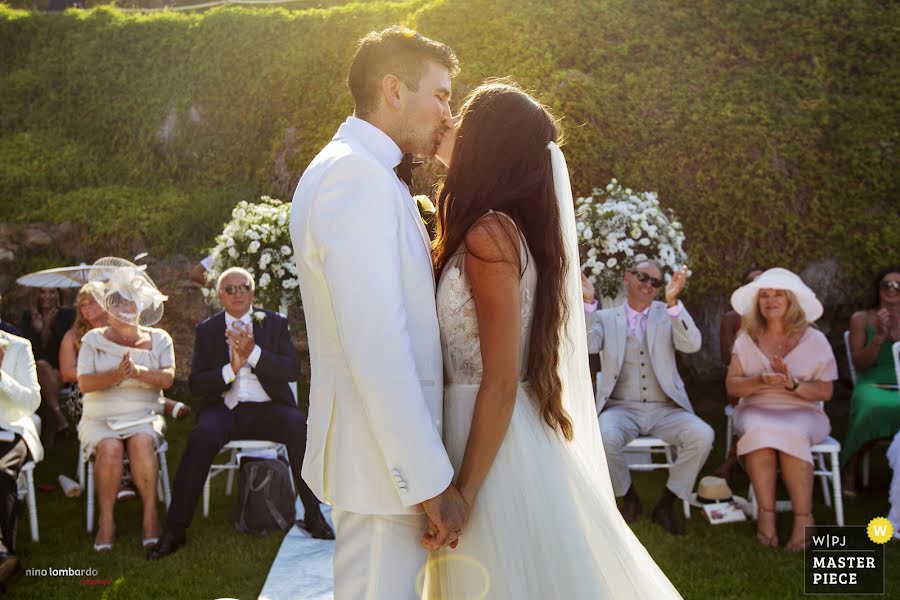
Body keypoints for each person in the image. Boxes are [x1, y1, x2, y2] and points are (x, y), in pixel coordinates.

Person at [426, 81, 682, 598]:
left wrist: (467, 493)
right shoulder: (496, 227)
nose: (448, 123)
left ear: (486, 142)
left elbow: (500, 377)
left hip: (490, 441)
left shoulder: (490, 235)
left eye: (463, 120)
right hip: (486, 424)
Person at [288, 27, 468, 599]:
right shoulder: (354, 178)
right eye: (440, 95)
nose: (448, 112)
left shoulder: (363, 170)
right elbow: (377, 345)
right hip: (382, 468)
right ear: (394, 89)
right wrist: (427, 480)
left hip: (383, 463)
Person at [148, 267, 333, 560]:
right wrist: (230, 369)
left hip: (269, 409)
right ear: (220, 295)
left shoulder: (274, 324)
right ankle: (176, 528)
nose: (238, 293)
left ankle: (313, 515)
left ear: (253, 292)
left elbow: (291, 371)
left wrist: (253, 353)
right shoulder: (207, 330)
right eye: (230, 289)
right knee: (201, 436)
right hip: (225, 409)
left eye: (243, 287)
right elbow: (196, 384)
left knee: (299, 426)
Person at [590, 259, 713, 536]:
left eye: (655, 282)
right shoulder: (606, 317)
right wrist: (588, 304)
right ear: (627, 277)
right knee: (603, 436)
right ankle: (629, 496)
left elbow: (692, 344)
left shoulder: (667, 312)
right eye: (643, 277)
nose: (648, 285)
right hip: (622, 408)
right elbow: (587, 343)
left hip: (664, 408)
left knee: (702, 435)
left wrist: (673, 302)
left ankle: (667, 503)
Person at [725, 267, 837, 551]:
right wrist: (759, 380)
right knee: (760, 431)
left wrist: (793, 384)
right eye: (764, 295)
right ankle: (767, 516)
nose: (770, 300)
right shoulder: (746, 338)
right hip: (757, 408)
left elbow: (825, 392)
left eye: (778, 295)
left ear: (791, 302)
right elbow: (733, 388)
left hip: (804, 411)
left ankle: (803, 519)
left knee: (791, 431)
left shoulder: (815, 339)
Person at [77, 258, 174, 551]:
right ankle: (107, 522)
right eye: (117, 304)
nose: (124, 310)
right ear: (108, 307)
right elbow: (84, 384)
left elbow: (168, 379)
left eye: (130, 304)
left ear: (141, 307)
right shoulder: (93, 338)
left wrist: (139, 372)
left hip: (144, 413)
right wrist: (116, 375)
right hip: (100, 417)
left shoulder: (160, 339)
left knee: (142, 442)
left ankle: (150, 516)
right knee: (109, 447)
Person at [61, 283, 191, 427]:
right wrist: (101, 371)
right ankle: (165, 403)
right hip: (89, 388)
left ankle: (154, 404)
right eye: (82, 305)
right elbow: (67, 373)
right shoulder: (74, 335)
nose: (87, 309)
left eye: (92, 303)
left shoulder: (128, 330)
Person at [842, 265, 900, 495]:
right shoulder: (861, 318)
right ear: (878, 289)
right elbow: (860, 364)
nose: (892, 289)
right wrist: (879, 338)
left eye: (898, 286)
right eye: (887, 285)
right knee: (872, 407)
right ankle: (850, 470)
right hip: (873, 379)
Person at [0, 329, 42, 589]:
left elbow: (32, 402)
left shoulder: (18, 346)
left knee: (1, 471)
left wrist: (1, 376)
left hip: (10, 430)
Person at [714, 266, 765, 482]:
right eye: (751, 283)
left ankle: (731, 460)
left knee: (764, 409)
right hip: (741, 380)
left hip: (769, 381)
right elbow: (726, 358)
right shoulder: (732, 318)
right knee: (756, 407)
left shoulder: (775, 316)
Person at [19, 287, 74, 446]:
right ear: (37, 294)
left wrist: (50, 327)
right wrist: (37, 331)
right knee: (42, 367)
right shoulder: (28, 316)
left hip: (60, 368)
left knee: (47, 378)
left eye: (52, 292)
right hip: (34, 370)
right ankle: (59, 421)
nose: (47, 296)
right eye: (42, 292)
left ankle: (47, 441)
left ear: (58, 295)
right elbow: (26, 349)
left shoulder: (66, 315)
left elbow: (64, 346)